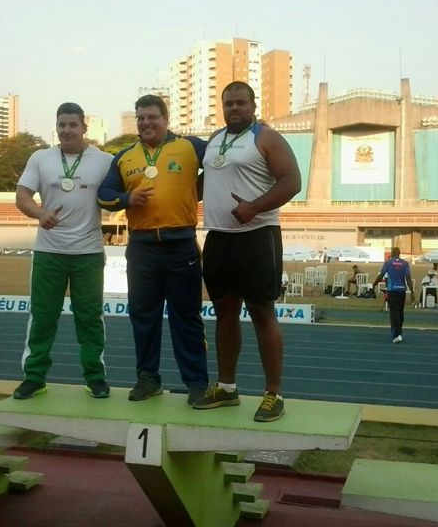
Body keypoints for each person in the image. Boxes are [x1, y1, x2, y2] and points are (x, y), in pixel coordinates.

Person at [192, 81, 301, 422]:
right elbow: (203, 184)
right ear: (221, 106)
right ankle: (226, 388)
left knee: (261, 313)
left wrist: (254, 207)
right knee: (224, 312)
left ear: (253, 105)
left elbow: (292, 182)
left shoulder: (265, 137)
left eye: (240, 102)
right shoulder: (214, 140)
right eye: (228, 103)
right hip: (219, 238)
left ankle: (274, 394)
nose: (234, 108)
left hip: (257, 235)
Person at [97, 94, 208, 405]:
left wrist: (196, 190)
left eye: (152, 117)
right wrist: (126, 200)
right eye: (141, 118)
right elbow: (103, 194)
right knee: (143, 316)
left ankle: (196, 382)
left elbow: (222, 160)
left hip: (181, 244)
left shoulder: (190, 147)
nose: (146, 123)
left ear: (165, 119)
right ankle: (148, 378)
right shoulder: (124, 157)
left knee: (186, 316)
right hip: (142, 247)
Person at [13, 102, 114, 400]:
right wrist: (39, 213)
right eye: (62, 125)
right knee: (43, 317)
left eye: (73, 124)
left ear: (85, 127)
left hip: (88, 252)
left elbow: (118, 195)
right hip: (49, 252)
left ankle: (95, 377)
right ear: (56, 128)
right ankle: (34, 377)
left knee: (90, 318)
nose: (67, 130)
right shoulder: (40, 158)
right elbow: (22, 196)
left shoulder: (105, 160)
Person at [373, 248, 413, 343]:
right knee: (400, 311)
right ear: (399, 253)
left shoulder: (388, 263)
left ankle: (397, 334)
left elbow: (381, 275)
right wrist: (412, 291)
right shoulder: (405, 263)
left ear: (392, 253)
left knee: (394, 311)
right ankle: (398, 331)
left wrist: (374, 283)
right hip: (402, 290)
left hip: (392, 290)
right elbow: (408, 278)